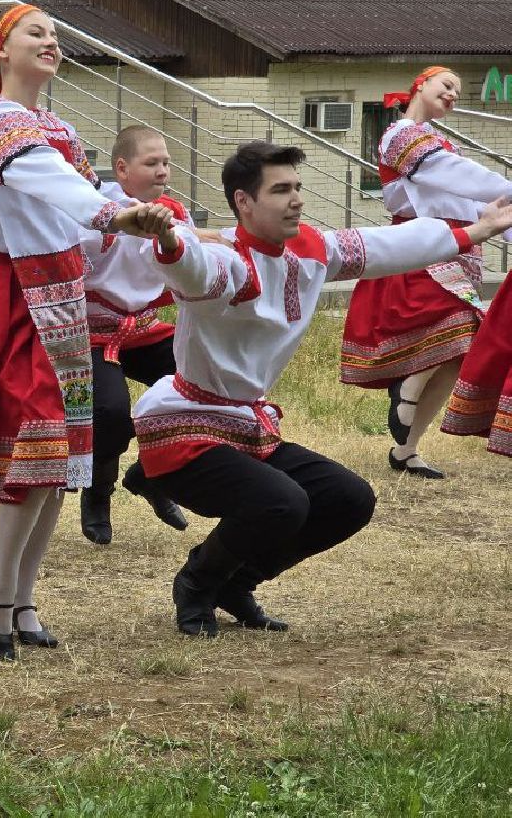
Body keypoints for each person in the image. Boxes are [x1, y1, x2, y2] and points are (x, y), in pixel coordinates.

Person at [136, 141, 512, 637]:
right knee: (283, 501)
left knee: (348, 498)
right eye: (280, 190)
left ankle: (236, 581)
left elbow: (386, 246)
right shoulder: (226, 262)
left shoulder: (310, 249)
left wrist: (477, 229)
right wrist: (168, 240)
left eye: (297, 188)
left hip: (247, 425)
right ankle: (198, 582)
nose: (296, 199)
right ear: (243, 202)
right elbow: (190, 267)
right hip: (185, 428)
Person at [0, 4, 172, 660]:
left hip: (62, 297)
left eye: (56, 36)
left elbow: (78, 213)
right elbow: (52, 185)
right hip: (13, 295)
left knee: (61, 464)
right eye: (36, 34)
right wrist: (115, 211)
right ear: (1, 50)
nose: (51, 43)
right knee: (44, 450)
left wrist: (167, 238)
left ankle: (20, 597)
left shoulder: (60, 127)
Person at [340, 67, 511, 479]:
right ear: (420, 86)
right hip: (422, 247)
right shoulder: (402, 135)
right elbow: (458, 179)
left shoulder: (440, 142)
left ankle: (406, 450)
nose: (453, 93)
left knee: (458, 354)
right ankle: (409, 388)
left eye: (457, 90)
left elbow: (471, 203)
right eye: (446, 85)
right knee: (460, 324)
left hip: (458, 246)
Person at [77, 125, 190, 544]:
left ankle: (152, 476)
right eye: (152, 163)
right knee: (109, 414)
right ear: (122, 168)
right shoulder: (95, 212)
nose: (163, 171)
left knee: (199, 383)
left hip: (142, 328)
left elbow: (190, 263)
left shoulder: (175, 211)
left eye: (166, 163)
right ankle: (97, 496)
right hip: (93, 332)